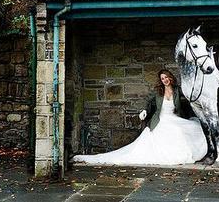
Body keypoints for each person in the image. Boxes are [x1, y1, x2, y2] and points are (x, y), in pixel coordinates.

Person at [73, 69, 207, 165]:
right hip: (161, 120)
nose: (165, 80)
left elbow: (190, 99)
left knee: (189, 128)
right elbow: (148, 101)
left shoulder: (178, 90)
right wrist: (144, 110)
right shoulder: (158, 92)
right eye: (162, 78)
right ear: (160, 81)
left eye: (166, 77)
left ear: (170, 78)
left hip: (175, 118)